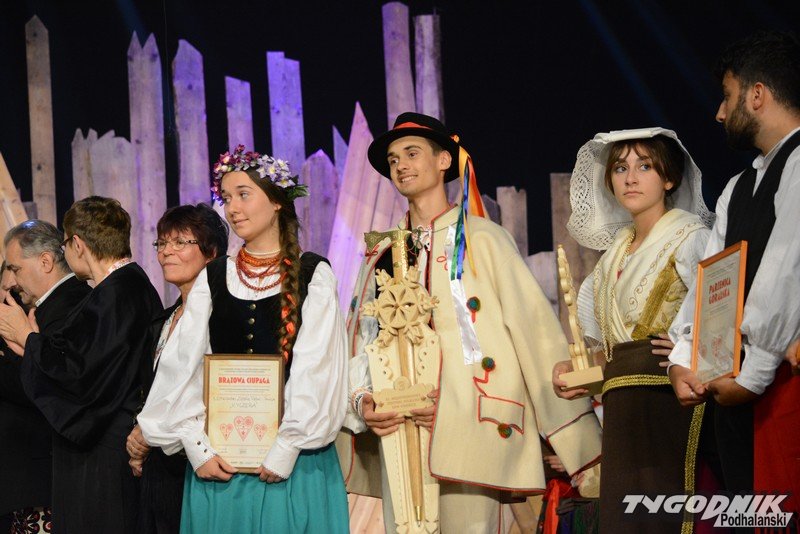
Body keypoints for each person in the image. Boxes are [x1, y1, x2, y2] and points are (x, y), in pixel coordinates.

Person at [339, 112, 602, 533]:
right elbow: (361, 338)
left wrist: (582, 448)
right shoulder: (383, 252)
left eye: (411, 153)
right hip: (399, 435)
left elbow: (536, 335)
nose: (401, 166)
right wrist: (363, 401)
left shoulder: (482, 238)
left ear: (444, 160)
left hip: (474, 428)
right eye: (393, 160)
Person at [135, 146, 349, 533]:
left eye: (244, 194)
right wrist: (196, 447)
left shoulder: (313, 275)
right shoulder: (214, 276)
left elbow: (318, 368)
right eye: (227, 197)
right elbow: (182, 368)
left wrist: (286, 448)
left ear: (277, 201)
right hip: (221, 464)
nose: (232, 208)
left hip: (293, 466)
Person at [668, 30, 800, 525]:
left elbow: (788, 271)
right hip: (734, 390)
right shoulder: (738, 187)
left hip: (781, 388)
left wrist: (753, 374)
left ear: (757, 94)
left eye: (727, 96)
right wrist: (685, 361)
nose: (720, 113)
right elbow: (712, 282)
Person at [552, 129, 713, 532]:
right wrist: (577, 370)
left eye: (645, 166)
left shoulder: (691, 237)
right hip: (622, 406)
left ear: (669, 178)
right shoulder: (614, 255)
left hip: (669, 397)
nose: (631, 178)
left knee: (668, 511)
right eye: (621, 169)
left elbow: (718, 308)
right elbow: (609, 343)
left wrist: (688, 347)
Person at [0, 198, 163, 533]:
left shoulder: (118, 292)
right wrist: (30, 345)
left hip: (106, 455)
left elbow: (81, 376)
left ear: (77, 244)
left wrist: (27, 339)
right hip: (100, 451)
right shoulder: (118, 289)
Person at [126, 204, 228, 534]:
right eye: (162, 242)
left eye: (180, 242)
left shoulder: (221, 317)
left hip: (201, 463)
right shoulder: (162, 320)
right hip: (159, 467)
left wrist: (150, 431)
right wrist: (140, 431)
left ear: (211, 252)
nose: (166, 251)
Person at [0, 221, 92, 534]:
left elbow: (55, 384)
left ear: (45, 261)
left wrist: (20, 350)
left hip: (47, 475)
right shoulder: (46, 306)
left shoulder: (71, 305)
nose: (12, 280)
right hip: (30, 474)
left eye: (15, 268)